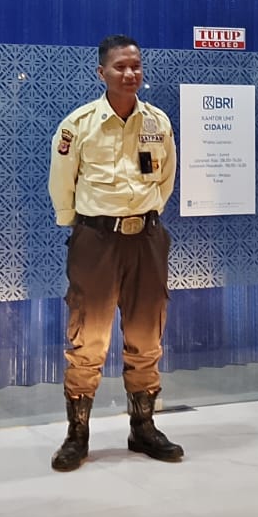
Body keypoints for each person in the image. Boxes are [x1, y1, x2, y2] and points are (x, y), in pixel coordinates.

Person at [46, 35, 183, 471]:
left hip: (146, 239)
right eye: (120, 67)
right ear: (101, 72)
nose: (130, 74)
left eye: (136, 66)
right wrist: (80, 228)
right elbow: (62, 182)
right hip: (97, 240)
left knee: (146, 334)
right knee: (87, 336)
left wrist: (146, 215)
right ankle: (77, 434)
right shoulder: (79, 125)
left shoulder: (157, 121)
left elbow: (166, 178)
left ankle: (143, 427)